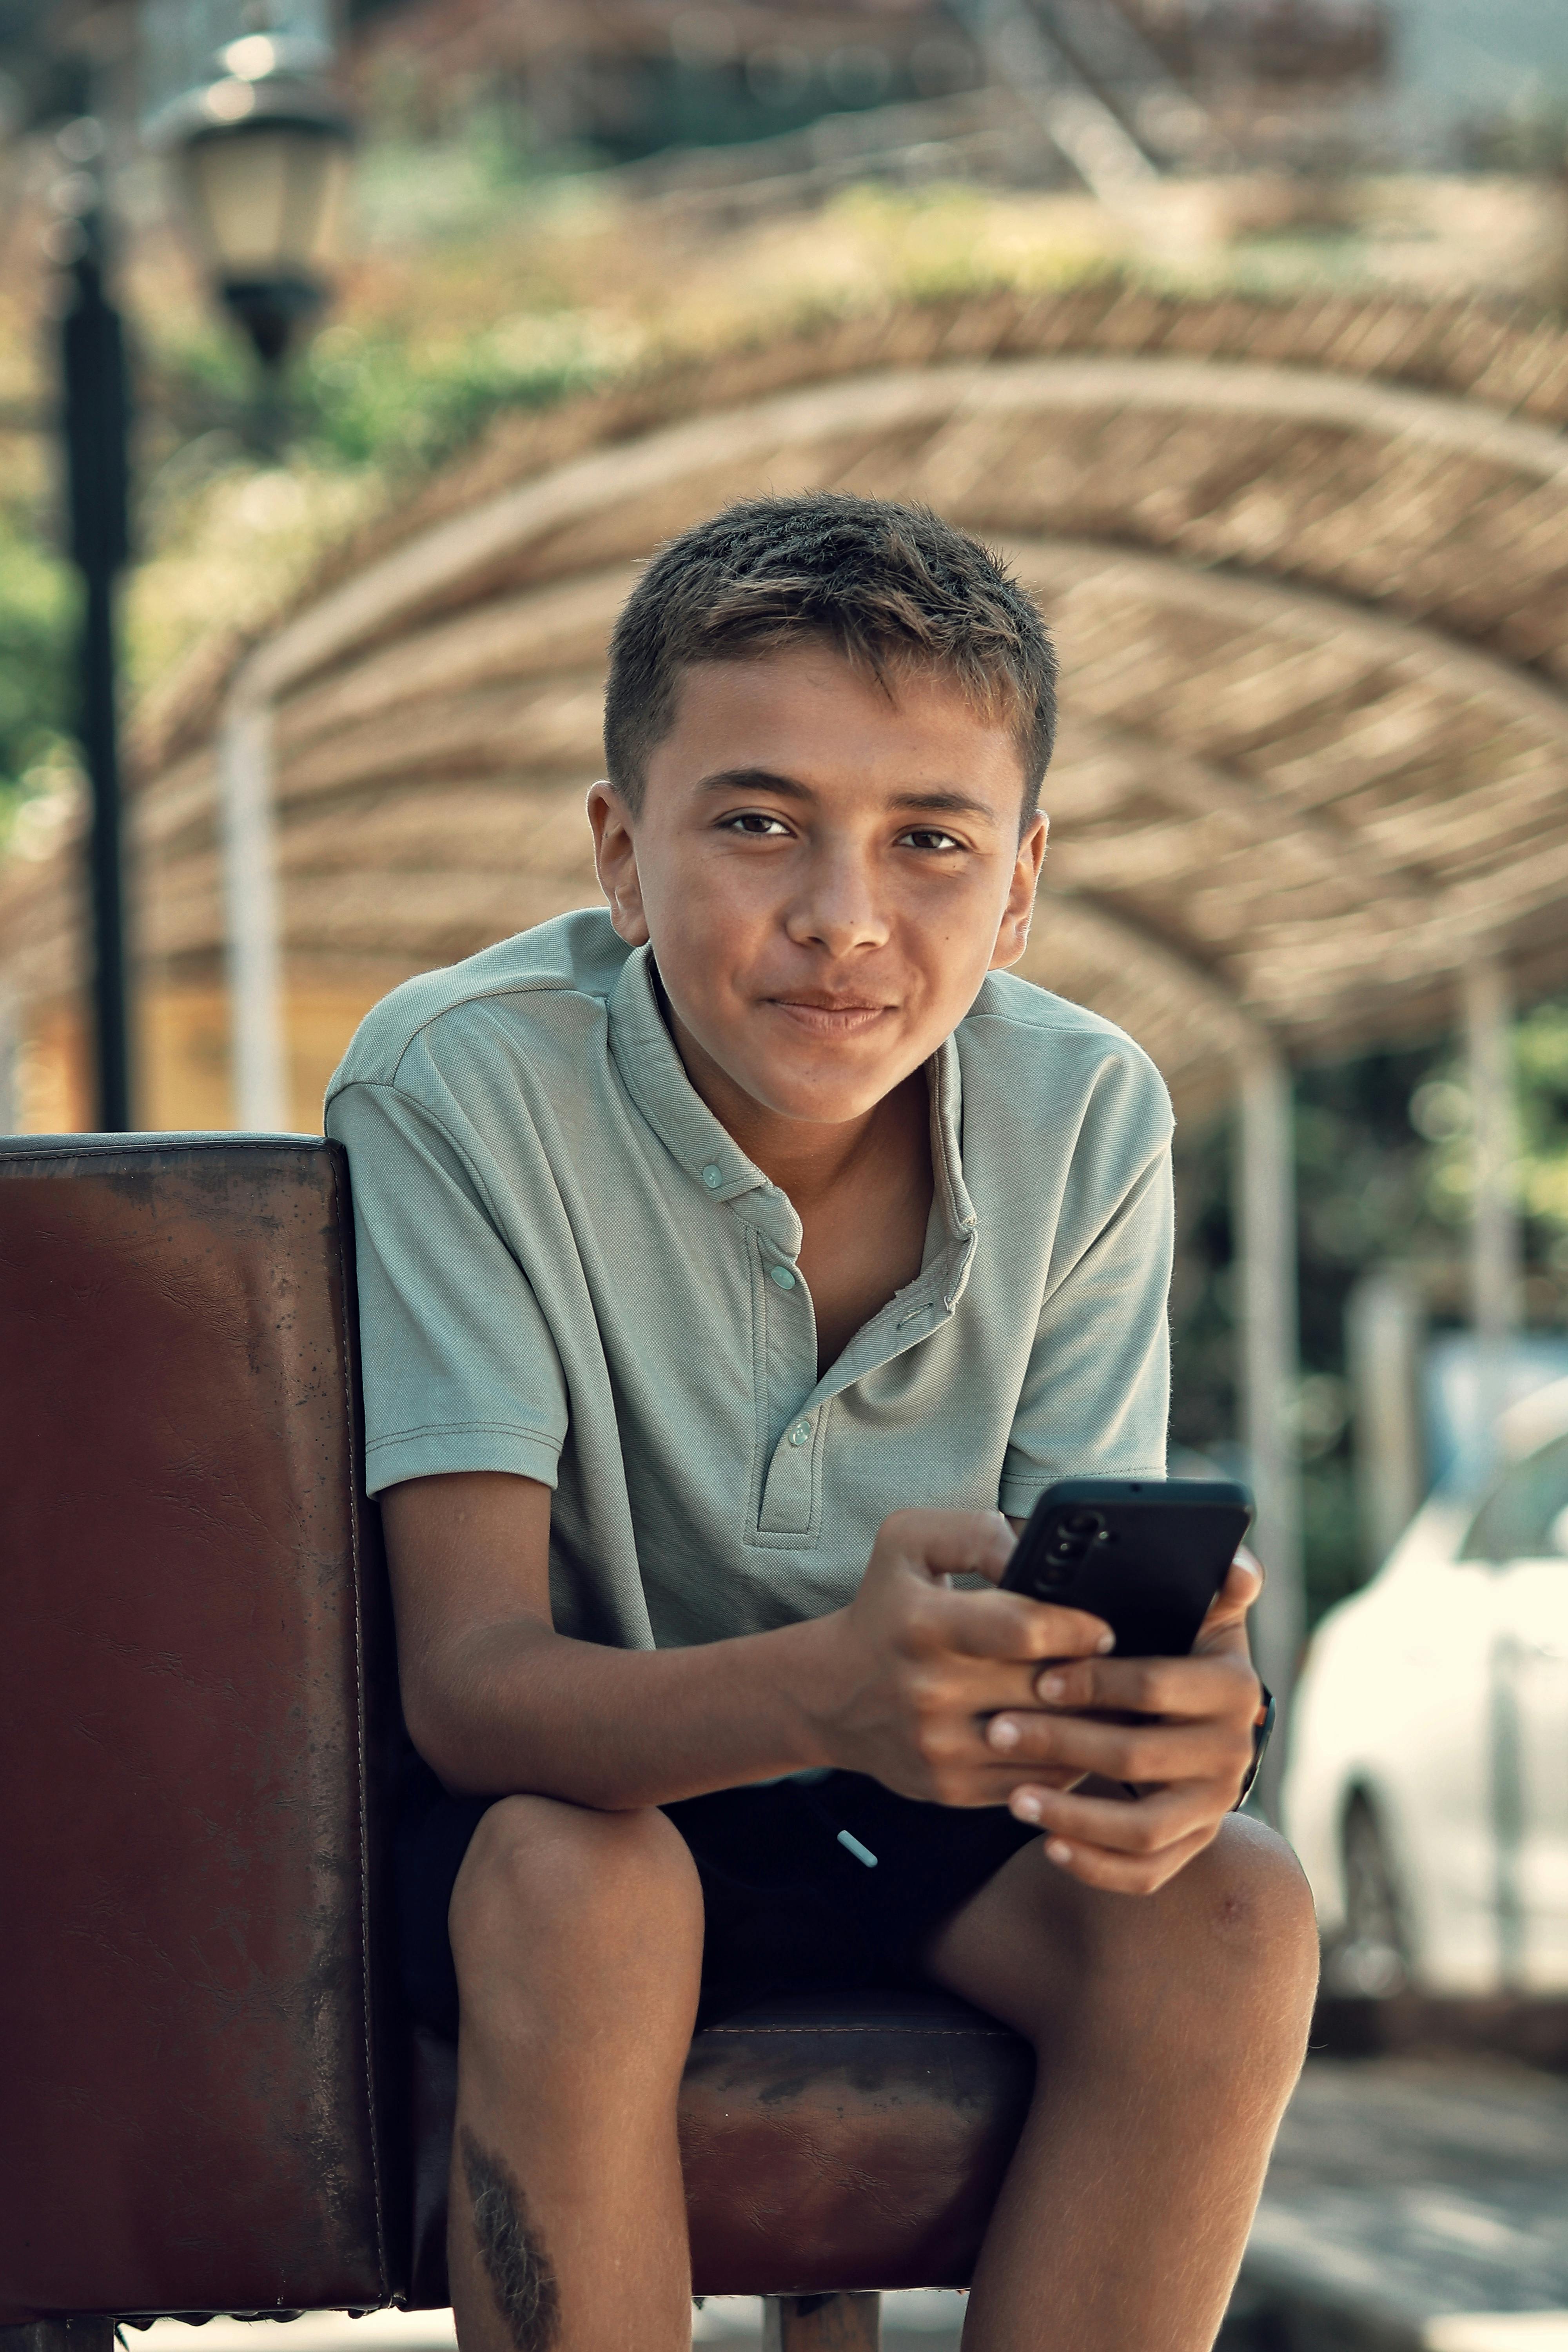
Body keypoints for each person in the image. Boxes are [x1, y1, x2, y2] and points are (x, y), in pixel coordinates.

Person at [325, 492, 1318, 2352]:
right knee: (579, 1890)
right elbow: (467, 1686)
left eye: (929, 840)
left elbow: (1071, 1641)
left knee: (1233, 1908)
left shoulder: (1087, 1112)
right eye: (757, 823)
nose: (843, 917)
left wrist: (1176, 1727)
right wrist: (824, 1690)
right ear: (623, 857)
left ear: (1019, 886)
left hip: (915, 1809)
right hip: (578, 1795)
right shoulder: (459, 1084)